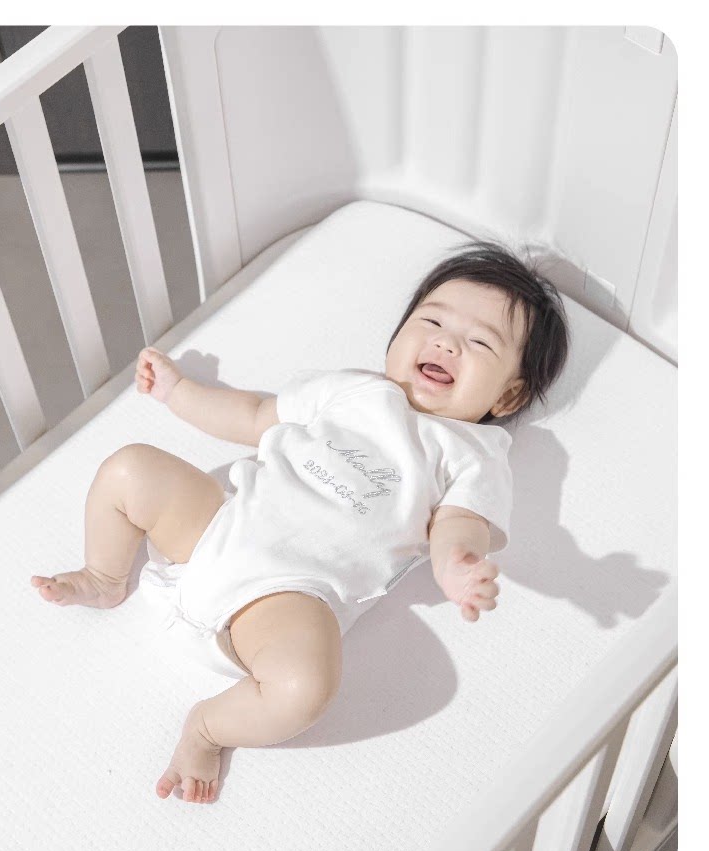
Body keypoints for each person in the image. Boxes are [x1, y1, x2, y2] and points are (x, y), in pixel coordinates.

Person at [30, 241, 570, 804]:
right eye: (432, 321)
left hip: (288, 596)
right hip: (217, 527)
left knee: (303, 690)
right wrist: (178, 392)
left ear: (509, 394)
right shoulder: (353, 389)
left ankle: (207, 727)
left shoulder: (473, 453)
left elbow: (459, 522)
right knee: (130, 469)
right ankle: (105, 575)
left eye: (479, 342)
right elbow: (253, 415)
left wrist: (456, 563)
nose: (446, 343)